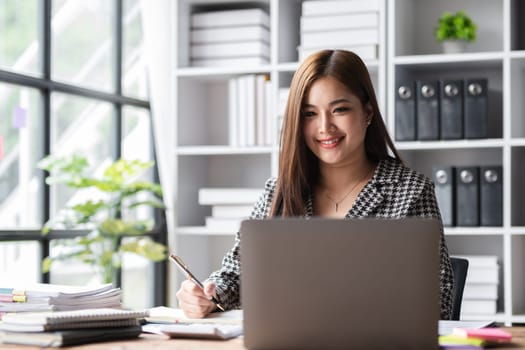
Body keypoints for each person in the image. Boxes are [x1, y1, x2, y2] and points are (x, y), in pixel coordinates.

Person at [176, 49, 454, 320]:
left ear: (368, 112)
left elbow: (436, 302)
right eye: (310, 114)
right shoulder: (280, 191)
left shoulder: (411, 191)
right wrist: (206, 296)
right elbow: (235, 275)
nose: (325, 127)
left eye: (339, 110)